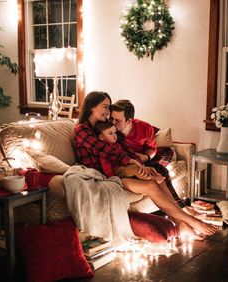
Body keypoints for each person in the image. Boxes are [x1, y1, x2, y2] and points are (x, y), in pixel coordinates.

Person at [74, 91, 217, 240]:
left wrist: (141, 164)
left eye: (109, 107)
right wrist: (131, 162)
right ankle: (192, 221)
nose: (108, 111)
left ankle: (180, 223)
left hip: (121, 171)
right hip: (103, 175)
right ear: (92, 107)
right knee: (151, 186)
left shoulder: (107, 126)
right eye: (105, 107)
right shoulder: (82, 130)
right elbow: (105, 150)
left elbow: (126, 148)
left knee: (156, 177)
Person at [110, 99, 188, 210]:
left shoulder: (144, 127)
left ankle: (150, 169)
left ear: (128, 121)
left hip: (145, 158)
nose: (113, 123)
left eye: (117, 120)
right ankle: (180, 205)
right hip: (129, 162)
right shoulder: (111, 132)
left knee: (167, 152)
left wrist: (146, 157)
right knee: (161, 170)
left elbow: (152, 148)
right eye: (111, 118)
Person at [93, 119, 165, 184]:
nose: (114, 135)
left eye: (115, 132)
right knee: (136, 169)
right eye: (110, 133)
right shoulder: (104, 150)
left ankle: (153, 175)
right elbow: (106, 166)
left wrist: (142, 165)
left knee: (149, 169)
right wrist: (112, 178)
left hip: (128, 166)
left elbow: (129, 155)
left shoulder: (118, 144)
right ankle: (152, 179)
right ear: (101, 137)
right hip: (118, 170)